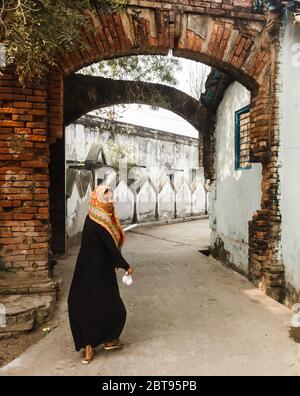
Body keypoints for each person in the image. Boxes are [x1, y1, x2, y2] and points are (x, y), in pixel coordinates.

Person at [67, 184, 133, 364]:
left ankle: (89, 347)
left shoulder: (92, 216)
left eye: (112, 197)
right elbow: (110, 248)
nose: (110, 201)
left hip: (85, 269)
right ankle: (109, 339)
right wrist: (125, 265)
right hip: (99, 271)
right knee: (114, 307)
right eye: (106, 198)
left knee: (83, 303)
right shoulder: (101, 220)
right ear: (97, 199)